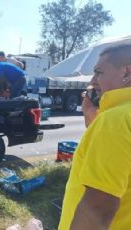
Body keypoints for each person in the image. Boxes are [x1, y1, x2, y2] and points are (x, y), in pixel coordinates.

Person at [59, 43, 131, 229]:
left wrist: (102, 125)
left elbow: (98, 208)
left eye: (99, 72)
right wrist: (93, 124)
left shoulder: (115, 121)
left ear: (127, 73)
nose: (92, 81)